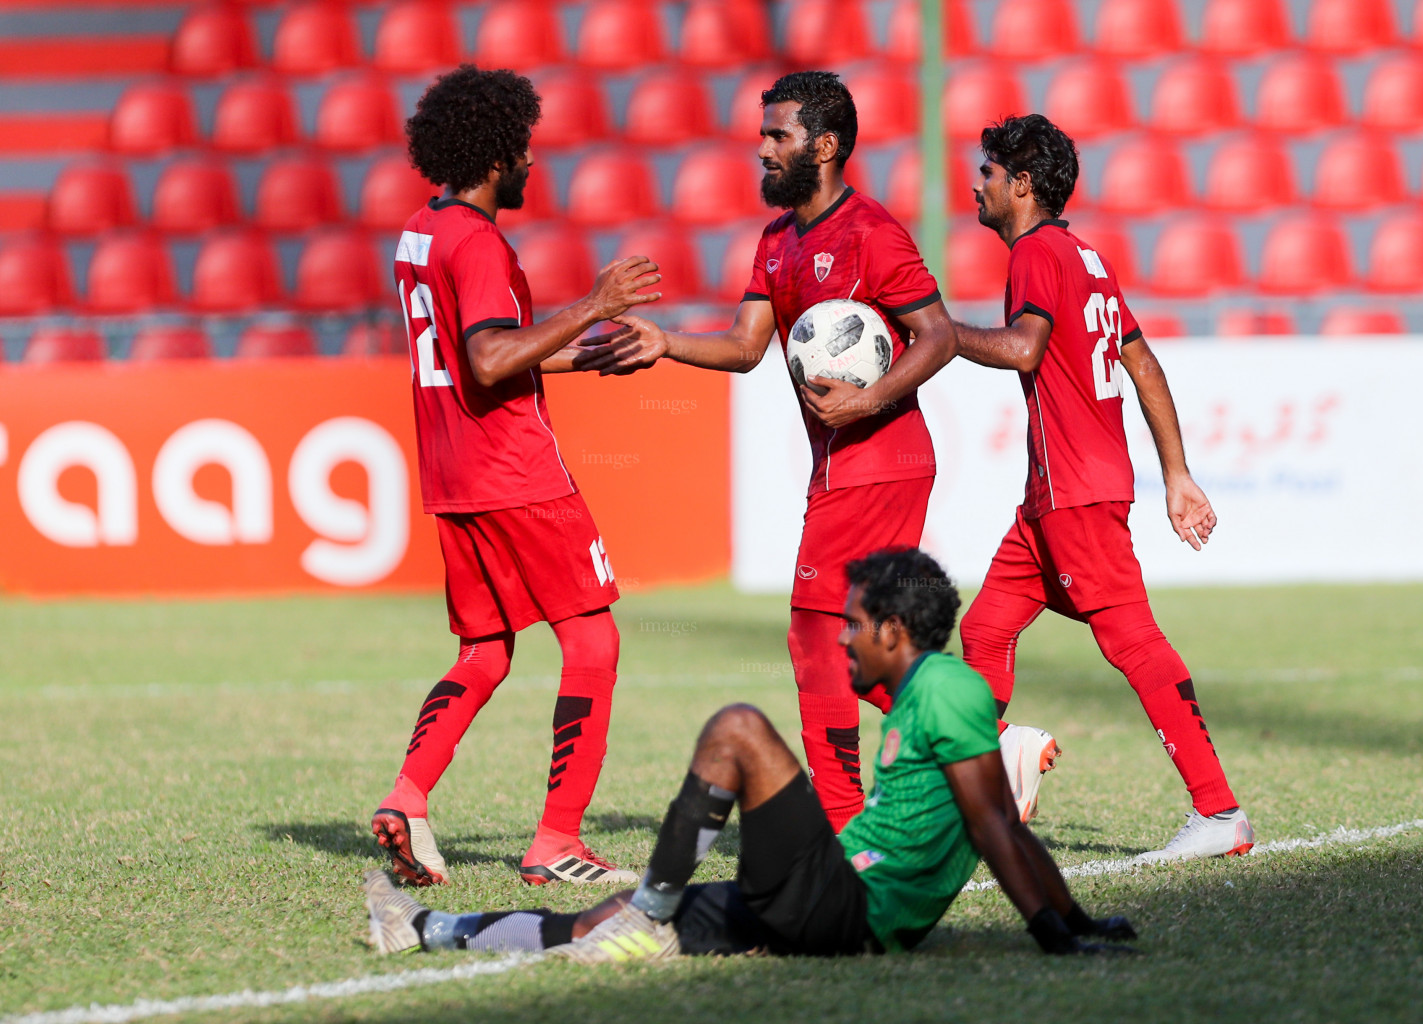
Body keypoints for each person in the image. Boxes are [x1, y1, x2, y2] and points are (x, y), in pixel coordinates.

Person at [586, 71, 1056, 831]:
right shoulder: (777, 242)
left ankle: (841, 827)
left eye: (779, 136)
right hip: (841, 465)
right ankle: (991, 743)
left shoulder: (871, 232)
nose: (763, 149)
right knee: (849, 646)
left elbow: (935, 335)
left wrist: (868, 398)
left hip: (882, 457)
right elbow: (745, 348)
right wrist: (664, 342)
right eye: (763, 135)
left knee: (814, 637)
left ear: (825, 145)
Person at [364, 549, 1137, 960]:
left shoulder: (949, 690)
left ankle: (653, 911)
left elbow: (994, 826)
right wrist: (1079, 918)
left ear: (895, 631)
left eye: (856, 623)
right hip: (831, 899)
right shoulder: (921, 690)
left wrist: (1055, 932)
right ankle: (431, 929)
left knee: (738, 729)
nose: (842, 635)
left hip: (850, 905)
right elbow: (1003, 819)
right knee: (608, 919)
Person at [372, 64, 664, 888]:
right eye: (526, 150)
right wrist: (596, 304)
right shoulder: (481, 243)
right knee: (593, 639)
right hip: (518, 472)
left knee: (487, 651)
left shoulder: (419, 232)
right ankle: (556, 841)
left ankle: (409, 798)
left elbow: (482, 362)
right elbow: (492, 353)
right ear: (498, 156)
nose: (533, 164)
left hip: (454, 473)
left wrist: (581, 357)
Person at [953, 113, 1254, 862]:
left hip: (1075, 493)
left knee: (1134, 641)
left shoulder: (1034, 255)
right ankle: (993, 771)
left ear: (1022, 185)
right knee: (986, 627)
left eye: (988, 172)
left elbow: (1025, 349)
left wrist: (938, 332)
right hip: (1056, 497)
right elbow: (1142, 363)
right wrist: (1176, 473)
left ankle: (1219, 813)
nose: (976, 184)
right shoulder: (1086, 257)